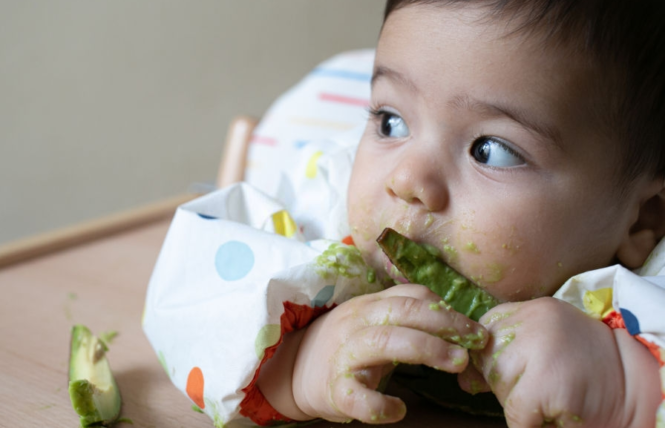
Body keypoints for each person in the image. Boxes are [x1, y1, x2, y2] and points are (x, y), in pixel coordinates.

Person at [143, 1, 665, 427]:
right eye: (390, 121)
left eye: (492, 150)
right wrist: (297, 364)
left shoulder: (652, 289)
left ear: (644, 220)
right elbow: (196, 287)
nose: (407, 180)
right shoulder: (326, 205)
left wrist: (628, 388)